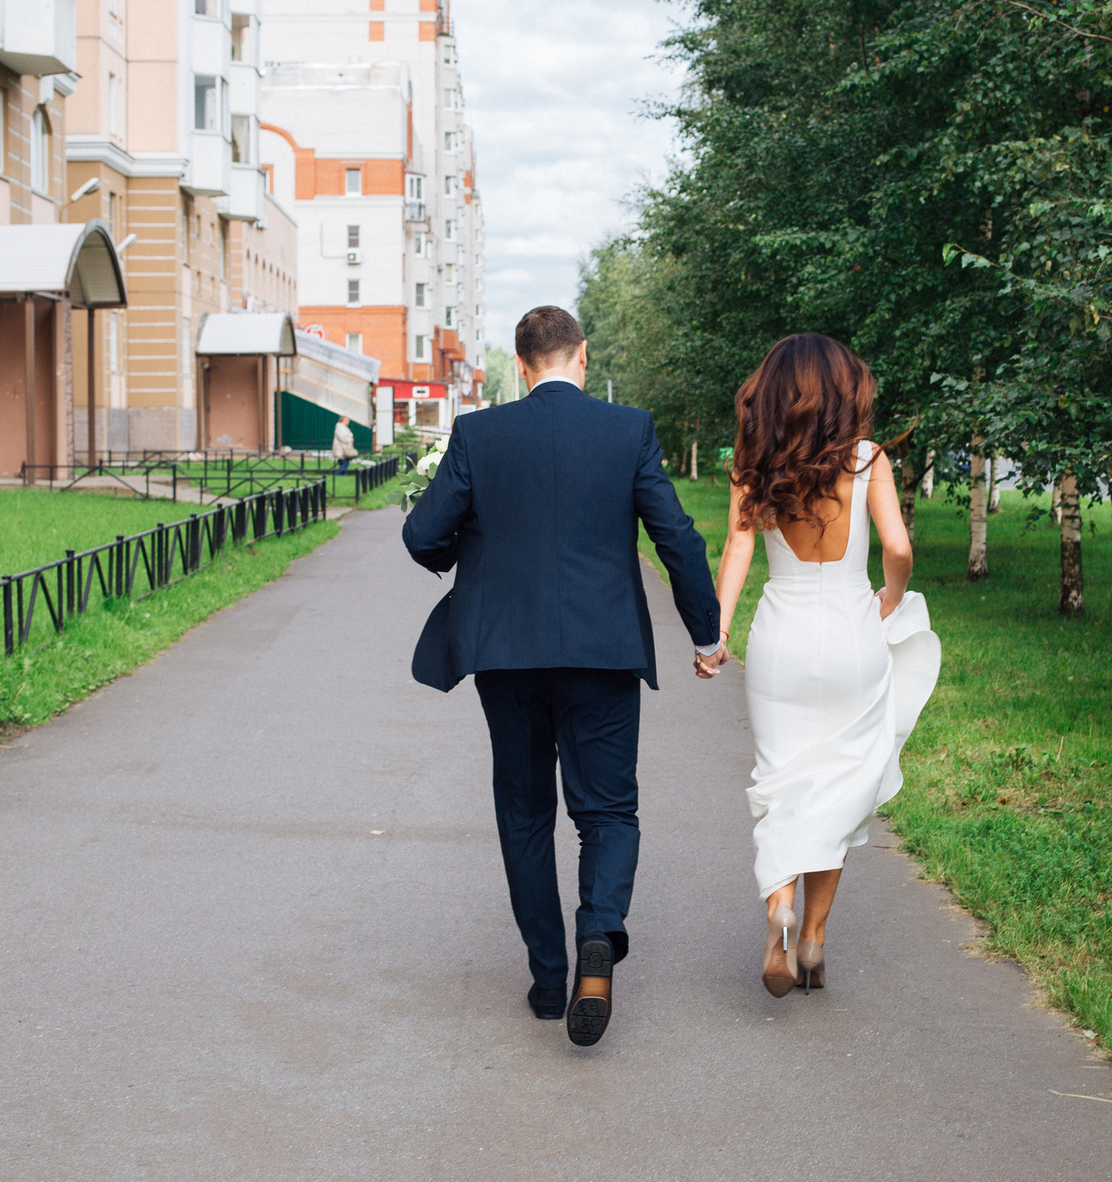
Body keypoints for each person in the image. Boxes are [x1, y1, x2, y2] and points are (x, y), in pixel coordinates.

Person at [401, 306, 722, 1046]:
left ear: (520, 364)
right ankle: (599, 934)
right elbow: (676, 535)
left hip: (505, 657)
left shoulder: (480, 433)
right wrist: (704, 633)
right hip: (603, 651)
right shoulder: (628, 429)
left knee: (525, 812)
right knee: (607, 810)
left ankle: (550, 979)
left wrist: (472, 548)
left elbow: (423, 536)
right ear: (582, 356)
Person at [698, 334, 941, 996]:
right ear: (844, 391)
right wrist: (889, 599)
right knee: (839, 784)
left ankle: (777, 905)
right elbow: (897, 545)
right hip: (851, 633)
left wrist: (716, 633)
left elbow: (737, 553)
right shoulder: (868, 460)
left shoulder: (756, 463)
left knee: (780, 780)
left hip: (782, 635)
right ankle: (812, 937)